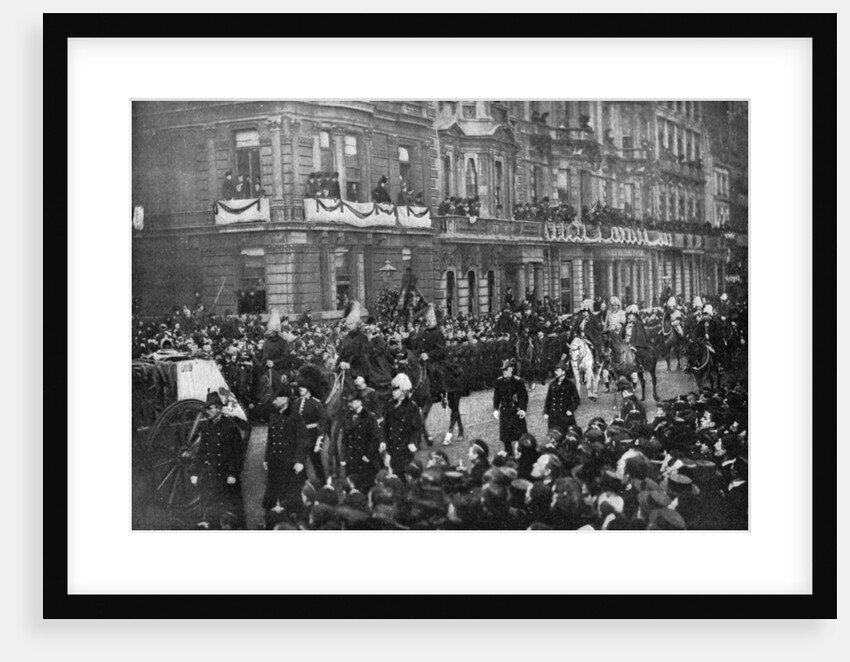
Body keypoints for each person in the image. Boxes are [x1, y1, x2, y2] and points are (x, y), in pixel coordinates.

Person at [190, 392, 247, 529]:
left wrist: (233, 474)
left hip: (226, 477)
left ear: (219, 409)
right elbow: (201, 452)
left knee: (232, 516)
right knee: (212, 514)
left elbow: (238, 453)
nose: (207, 412)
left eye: (210, 408)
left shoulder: (230, 427)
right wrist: (195, 472)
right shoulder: (206, 427)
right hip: (211, 477)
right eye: (206, 409)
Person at [262, 383, 304, 527]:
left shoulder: (295, 416)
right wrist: (266, 458)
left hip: (289, 463)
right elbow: (270, 439)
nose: (274, 402)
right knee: (270, 497)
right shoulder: (273, 416)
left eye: (276, 399)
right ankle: (270, 524)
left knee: (290, 497)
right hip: (275, 462)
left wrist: (299, 461)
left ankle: (291, 525)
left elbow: (301, 440)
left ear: (285, 399)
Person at [293, 366, 329, 485]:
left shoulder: (316, 404)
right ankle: (303, 485)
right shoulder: (296, 403)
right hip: (299, 437)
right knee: (299, 462)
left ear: (309, 388)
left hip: (312, 436)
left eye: (303, 387)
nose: (300, 389)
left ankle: (323, 484)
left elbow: (323, 422)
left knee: (316, 463)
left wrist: (320, 441)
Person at [383, 373, 423, 475]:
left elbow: (417, 428)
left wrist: (412, 442)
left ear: (403, 391)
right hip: (391, 447)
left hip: (405, 448)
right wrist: (385, 447)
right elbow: (385, 427)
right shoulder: (389, 405)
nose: (392, 392)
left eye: (395, 389)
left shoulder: (412, 407)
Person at [340, 392, 382, 487]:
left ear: (360, 402)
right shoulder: (347, 416)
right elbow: (344, 439)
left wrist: (368, 455)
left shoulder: (370, 417)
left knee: (366, 484)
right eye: (348, 402)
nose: (349, 404)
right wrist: (343, 456)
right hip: (351, 457)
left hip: (364, 457)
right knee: (352, 484)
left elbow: (374, 438)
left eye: (352, 402)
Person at [493, 359, 528, 455]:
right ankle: (509, 455)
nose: (504, 372)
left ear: (511, 369)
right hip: (505, 411)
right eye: (503, 370)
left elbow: (523, 397)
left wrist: (522, 409)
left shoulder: (518, 381)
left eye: (506, 370)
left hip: (515, 411)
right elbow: (497, 396)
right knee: (506, 438)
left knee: (520, 436)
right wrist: (495, 409)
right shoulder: (499, 382)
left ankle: (522, 455)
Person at [543, 360, 580, 433]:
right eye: (555, 370)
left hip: (565, 416)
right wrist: (546, 412)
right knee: (554, 435)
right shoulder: (552, 385)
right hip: (553, 417)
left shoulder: (569, 384)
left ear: (563, 372)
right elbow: (548, 400)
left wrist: (571, 410)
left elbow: (576, 399)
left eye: (557, 371)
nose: (555, 372)